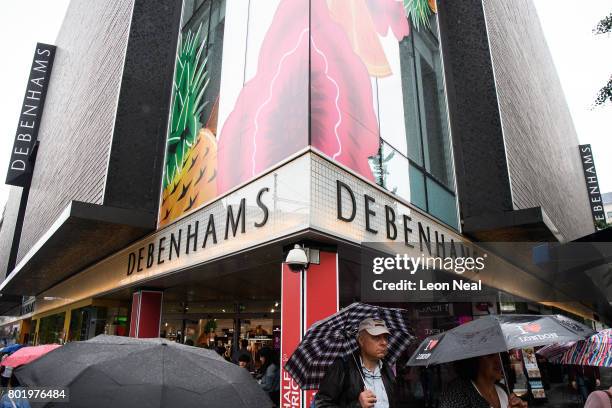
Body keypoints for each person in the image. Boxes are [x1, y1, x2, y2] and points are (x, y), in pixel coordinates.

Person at [315, 317, 396, 407]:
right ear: (361, 341)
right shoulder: (342, 368)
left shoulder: (387, 370)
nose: (384, 342)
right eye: (376, 337)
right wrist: (357, 405)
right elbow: (322, 405)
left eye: (386, 337)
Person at [439, 354, 528, 408]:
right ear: (474, 359)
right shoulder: (456, 393)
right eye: (490, 355)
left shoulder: (504, 390)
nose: (499, 361)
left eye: (499, 355)